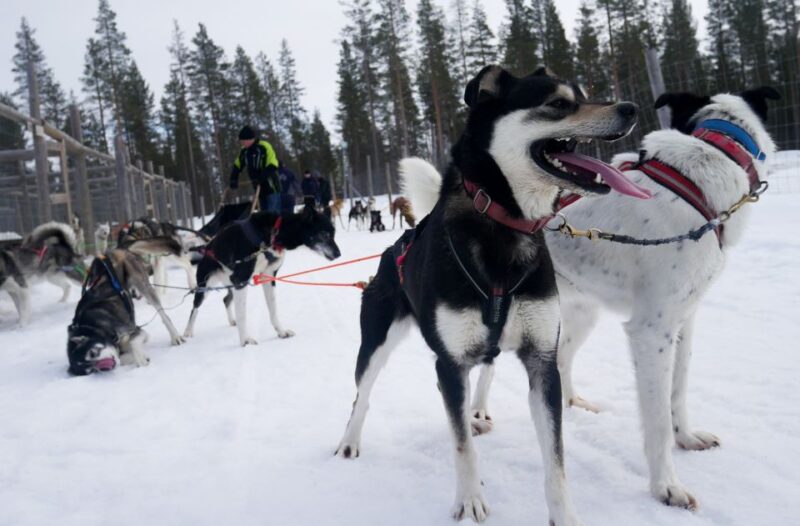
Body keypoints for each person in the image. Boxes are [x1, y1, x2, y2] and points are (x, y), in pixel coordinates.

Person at [228, 126, 281, 213]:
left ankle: (277, 226)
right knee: (264, 214)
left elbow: (273, 165)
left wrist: (260, 178)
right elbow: (237, 165)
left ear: (248, 139)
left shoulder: (264, 147)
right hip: (259, 189)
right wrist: (233, 178)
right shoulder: (244, 151)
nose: (242, 143)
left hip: (271, 187)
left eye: (242, 141)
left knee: (273, 214)